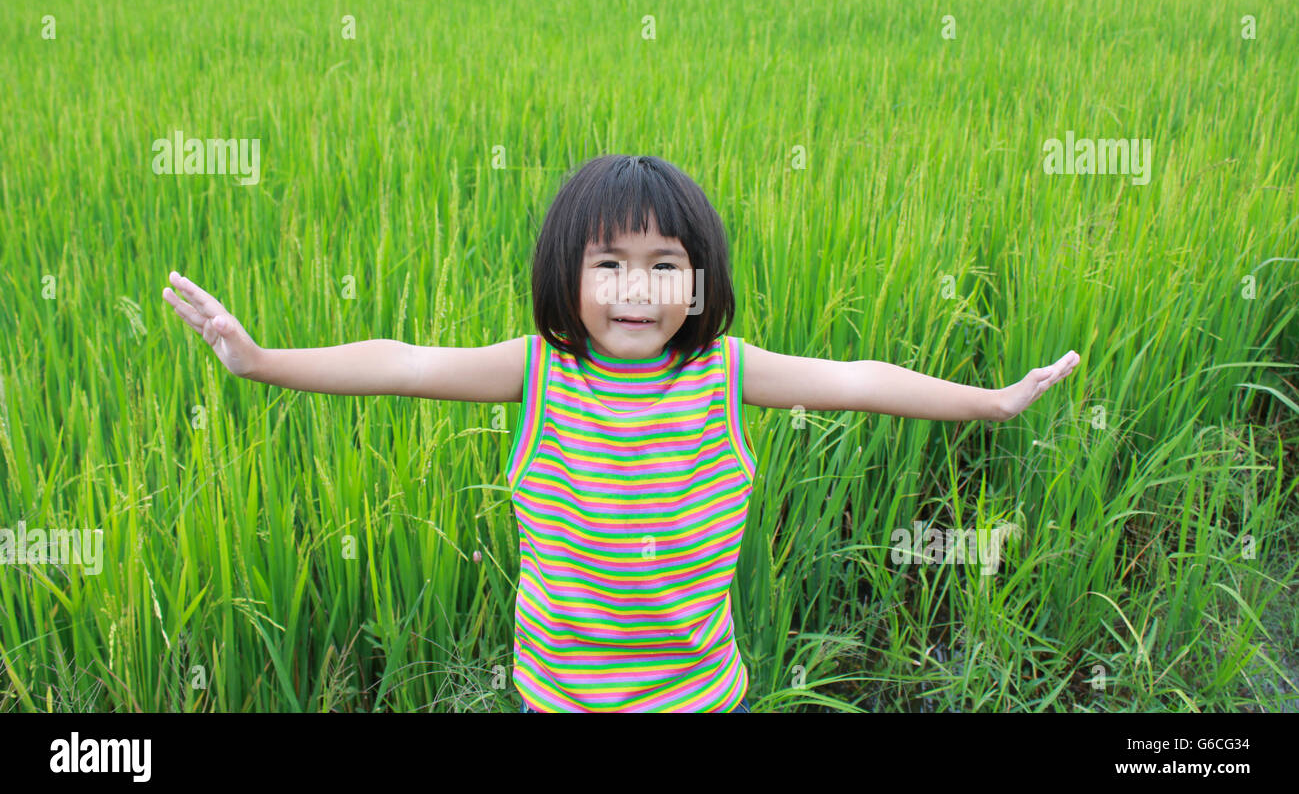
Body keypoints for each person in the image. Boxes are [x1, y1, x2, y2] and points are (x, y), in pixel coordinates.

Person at [162, 154, 1078, 713]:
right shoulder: (536, 372)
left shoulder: (725, 372)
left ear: (699, 281)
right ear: (566, 273)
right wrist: (261, 359)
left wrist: (990, 401)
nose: (636, 291)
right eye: (609, 264)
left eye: (663, 266)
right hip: (558, 701)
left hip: (700, 698)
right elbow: (404, 362)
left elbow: (858, 381)